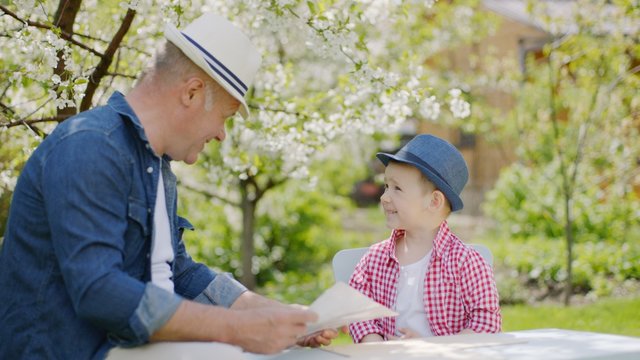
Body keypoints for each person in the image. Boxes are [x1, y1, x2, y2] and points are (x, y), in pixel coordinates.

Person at [0, 13, 337, 359]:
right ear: (192, 92)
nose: (222, 134)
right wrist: (239, 330)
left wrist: (283, 319)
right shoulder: (90, 146)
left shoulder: (155, 168)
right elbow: (99, 291)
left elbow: (180, 273)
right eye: (226, 116)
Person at [348, 134, 501, 343]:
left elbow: (486, 324)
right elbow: (359, 314)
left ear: (434, 201)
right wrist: (377, 349)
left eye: (397, 188)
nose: (384, 197)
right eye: (385, 186)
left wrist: (431, 349)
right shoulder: (374, 259)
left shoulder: (466, 263)